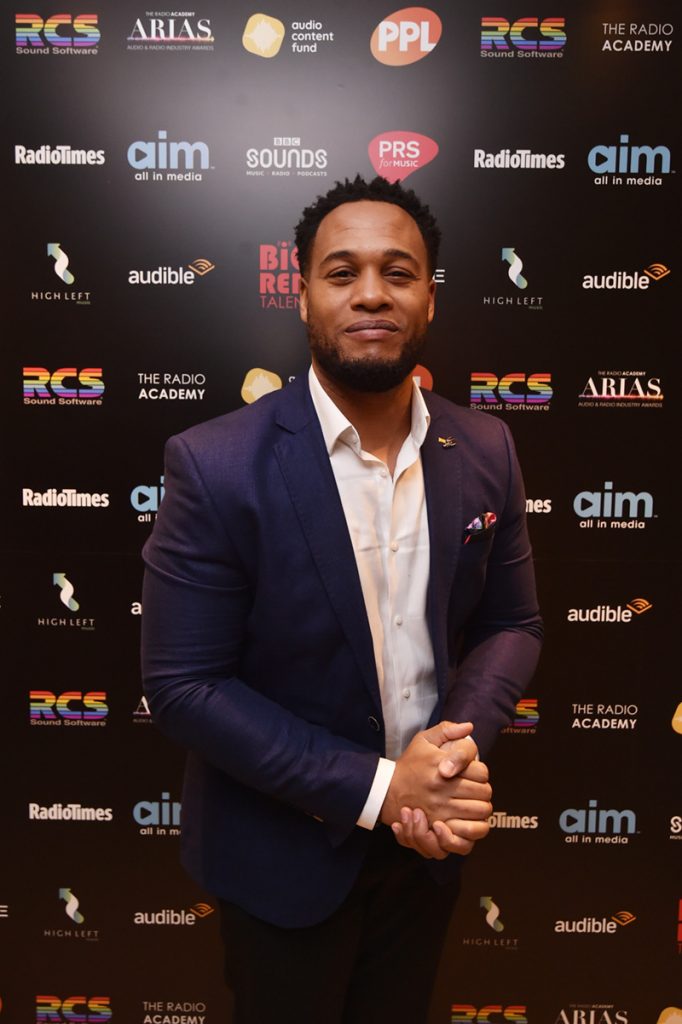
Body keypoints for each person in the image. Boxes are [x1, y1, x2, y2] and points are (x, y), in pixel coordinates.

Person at [141, 175, 542, 1024]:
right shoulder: (215, 464)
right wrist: (383, 789)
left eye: (398, 272)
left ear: (429, 297)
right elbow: (184, 685)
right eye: (341, 272)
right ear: (302, 296)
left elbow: (512, 623)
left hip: (425, 854)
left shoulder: (487, 446)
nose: (371, 294)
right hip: (280, 857)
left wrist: (447, 758)